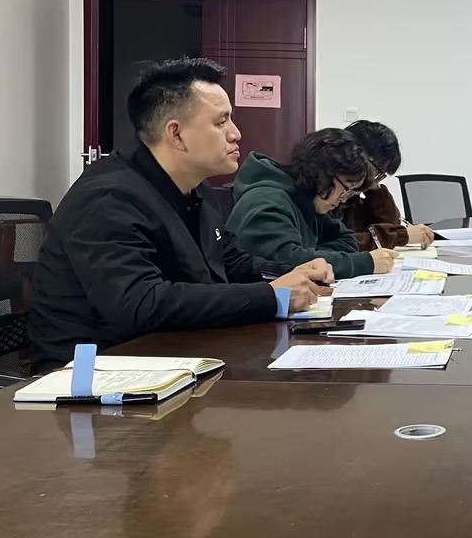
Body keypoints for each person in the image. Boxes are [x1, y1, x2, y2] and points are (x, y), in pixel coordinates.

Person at [29, 58, 333, 372]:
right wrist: (272, 296)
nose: (236, 134)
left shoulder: (194, 188)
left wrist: (296, 272)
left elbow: (227, 261)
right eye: (221, 122)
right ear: (175, 134)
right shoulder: (107, 198)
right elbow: (140, 304)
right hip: (93, 375)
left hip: (169, 355)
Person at [226, 129, 399, 279]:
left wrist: (309, 254)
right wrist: (363, 263)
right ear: (322, 174)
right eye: (346, 189)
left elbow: (348, 242)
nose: (344, 199)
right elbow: (286, 264)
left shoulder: (308, 201)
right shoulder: (267, 201)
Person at [340, 120, 435, 250]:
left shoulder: (353, 199)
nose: (373, 180)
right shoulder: (325, 194)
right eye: (375, 171)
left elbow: (391, 225)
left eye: (380, 175)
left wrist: (375, 189)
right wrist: (398, 235)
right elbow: (336, 245)